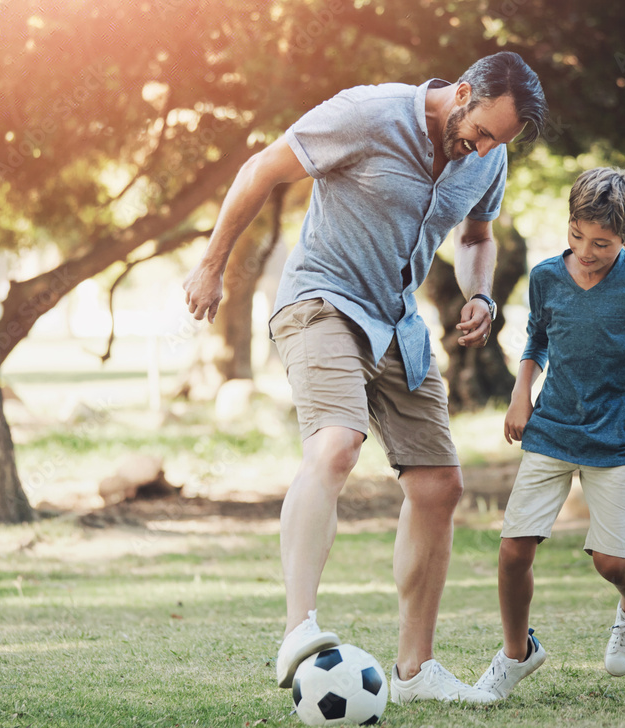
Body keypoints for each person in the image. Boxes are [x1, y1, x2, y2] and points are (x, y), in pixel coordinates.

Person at [182, 52, 547, 704]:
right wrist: (212, 264)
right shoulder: (368, 114)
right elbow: (262, 169)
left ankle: (415, 670)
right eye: (483, 130)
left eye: (500, 141)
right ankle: (298, 630)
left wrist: (482, 295)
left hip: (397, 321)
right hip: (321, 300)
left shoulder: (488, 159)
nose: (485, 147)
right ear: (462, 91)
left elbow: (476, 236)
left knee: (439, 484)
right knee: (337, 442)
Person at [474, 167, 625, 699]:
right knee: (514, 551)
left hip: (615, 442)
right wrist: (522, 391)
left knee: (610, 562)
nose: (585, 251)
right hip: (551, 430)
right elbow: (538, 338)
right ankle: (517, 652)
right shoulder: (546, 277)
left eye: (602, 243)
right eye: (576, 235)